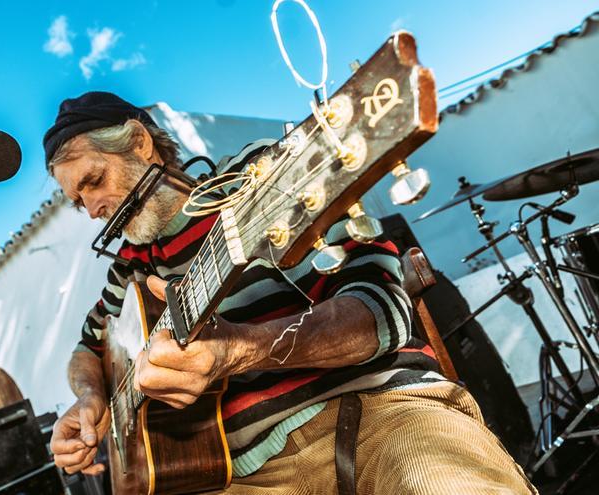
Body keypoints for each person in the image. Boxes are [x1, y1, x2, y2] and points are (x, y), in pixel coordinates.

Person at [45, 91, 536, 494]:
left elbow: (379, 309)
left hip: (379, 414)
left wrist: (239, 349)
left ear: (139, 142)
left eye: (94, 181)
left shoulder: (255, 178)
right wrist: (92, 399)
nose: (92, 209)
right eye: (77, 201)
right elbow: (87, 349)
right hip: (238, 478)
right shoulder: (128, 271)